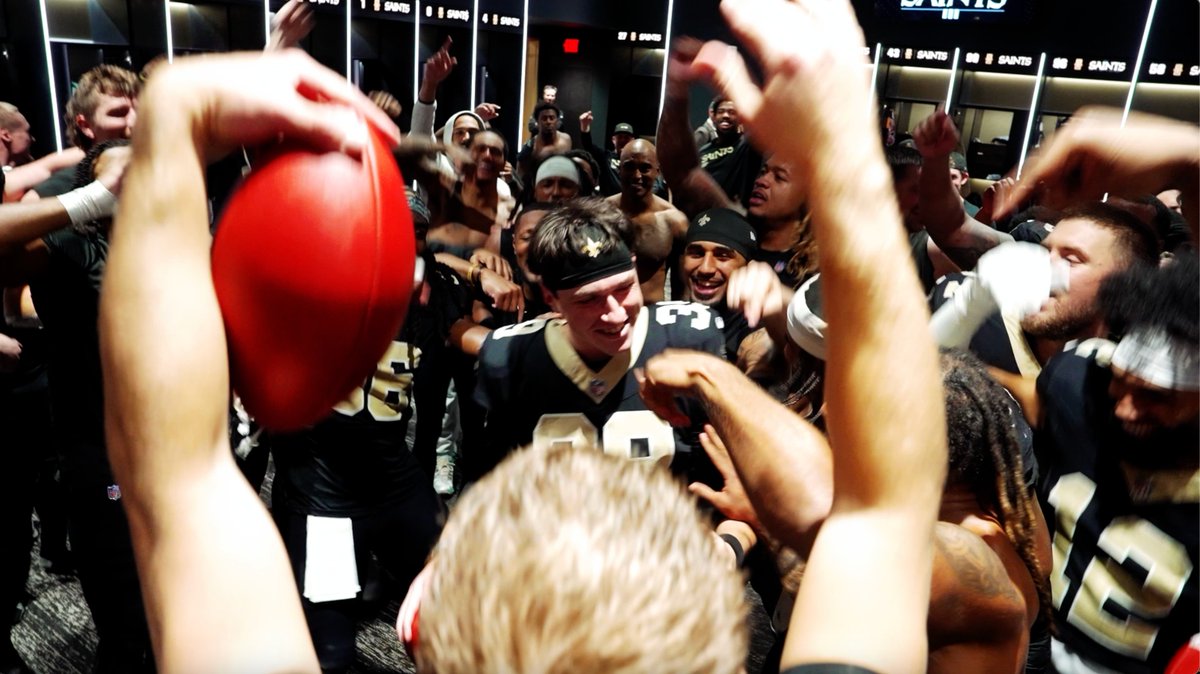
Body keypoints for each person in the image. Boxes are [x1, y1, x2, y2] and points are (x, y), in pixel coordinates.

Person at [469, 198, 726, 486]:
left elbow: (719, 478)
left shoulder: (688, 337)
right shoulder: (509, 358)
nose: (616, 314)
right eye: (589, 299)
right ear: (551, 298)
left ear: (634, 267)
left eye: (624, 287)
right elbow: (496, 486)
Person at [1029, 254, 1198, 674]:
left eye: (1156, 396)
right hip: (1032, 646)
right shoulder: (1076, 387)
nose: (1124, 409)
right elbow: (1027, 396)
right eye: (1118, 381)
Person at [930, 203, 1160, 377]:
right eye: (1045, 251)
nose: (1044, 267)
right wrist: (967, 309)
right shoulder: (978, 314)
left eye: (1071, 259)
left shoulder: (1119, 378)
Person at [23, 65, 138, 202]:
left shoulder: (164, 175)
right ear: (86, 126)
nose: (135, 122)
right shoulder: (58, 192)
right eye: (119, 113)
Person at [605, 139, 688, 302]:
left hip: (651, 315)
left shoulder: (673, 220)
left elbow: (681, 286)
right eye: (629, 167)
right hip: (608, 312)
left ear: (657, 171)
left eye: (645, 168)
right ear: (619, 169)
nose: (637, 176)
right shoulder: (600, 214)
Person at [579, 112, 634, 196]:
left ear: (633, 140)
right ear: (613, 140)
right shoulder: (605, 157)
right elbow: (588, 146)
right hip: (608, 204)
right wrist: (585, 126)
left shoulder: (637, 161)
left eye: (626, 137)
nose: (623, 140)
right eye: (620, 137)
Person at [516, 102, 572, 184]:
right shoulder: (531, 148)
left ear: (557, 121)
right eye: (544, 118)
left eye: (552, 118)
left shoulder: (566, 139)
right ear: (537, 122)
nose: (548, 122)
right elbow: (520, 177)